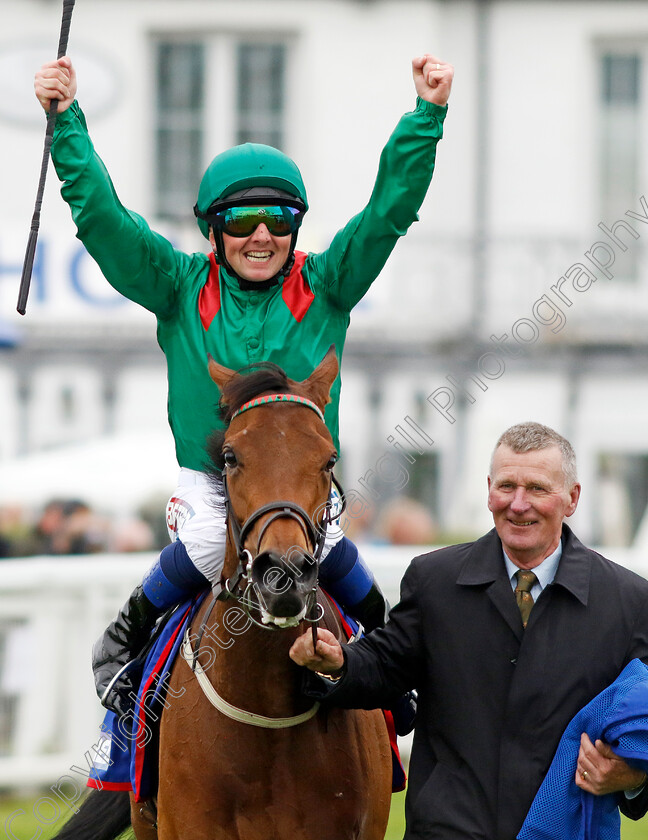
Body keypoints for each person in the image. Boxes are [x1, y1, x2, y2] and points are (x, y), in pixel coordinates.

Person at [34, 53, 454, 718]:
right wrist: (67, 123)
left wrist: (426, 116)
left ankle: (390, 652)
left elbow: (387, 212)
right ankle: (124, 638)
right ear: (211, 228)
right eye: (240, 222)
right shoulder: (177, 286)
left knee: (334, 544)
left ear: (295, 228)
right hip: (211, 479)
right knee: (206, 544)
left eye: (278, 222)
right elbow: (105, 222)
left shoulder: (328, 284)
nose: (260, 236)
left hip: (302, 485)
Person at [290, 421, 648, 839]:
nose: (518, 504)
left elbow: (647, 726)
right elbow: (385, 665)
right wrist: (340, 661)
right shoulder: (435, 580)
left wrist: (632, 777)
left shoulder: (629, 601)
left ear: (572, 498)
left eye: (537, 488)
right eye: (506, 486)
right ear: (487, 491)